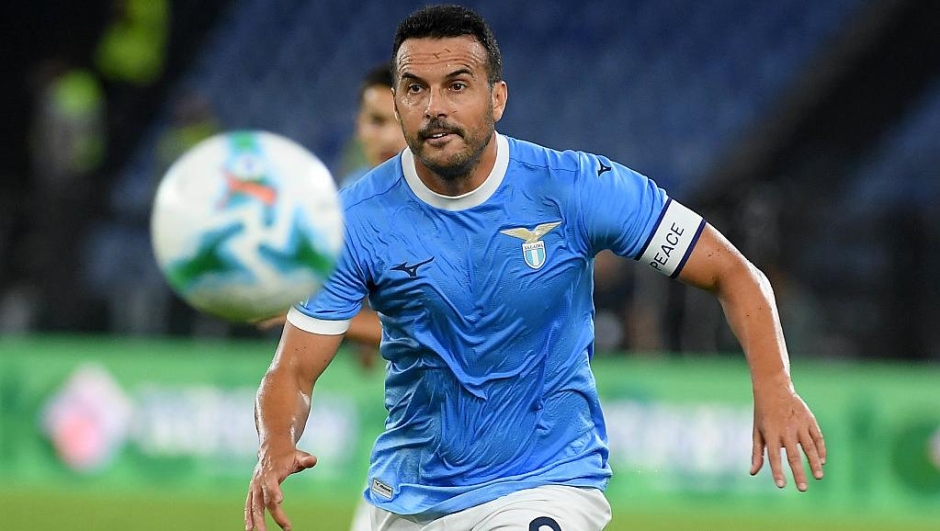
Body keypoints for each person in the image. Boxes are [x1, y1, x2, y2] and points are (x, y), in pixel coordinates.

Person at [244, 6, 826, 531]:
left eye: (457, 86)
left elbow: (733, 272)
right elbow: (292, 373)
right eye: (415, 89)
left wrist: (774, 386)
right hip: (409, 493)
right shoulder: (354, 220)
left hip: (546, 485)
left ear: (497, 98)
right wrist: (275, 441)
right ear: (396, 103)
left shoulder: (576, 188)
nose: (435, 108)